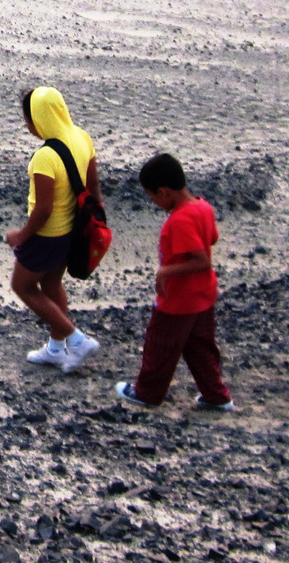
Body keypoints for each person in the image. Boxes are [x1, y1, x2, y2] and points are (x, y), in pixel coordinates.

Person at [116, 154, 233, 410]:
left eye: (153, 197)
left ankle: (147, 393)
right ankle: (217, 396)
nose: (154, 202)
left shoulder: (179, 220)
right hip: (204, 294)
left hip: (179, 299)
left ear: (163, 191)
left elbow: (201, 260)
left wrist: (164, 272)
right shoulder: (203, 207)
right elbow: (211, 240)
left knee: (160, 344)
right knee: (200, 346)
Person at [8, 88, 101, 371]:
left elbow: (44, 209)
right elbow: (93, 187)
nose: (28, 126)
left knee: (22, 286)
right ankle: (56, 348)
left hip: (46, 235)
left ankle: (76, 339)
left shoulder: (45, 157)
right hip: (72, 230)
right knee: (50, 284)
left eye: (29, 119)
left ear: (39, 119)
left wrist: (21, 236)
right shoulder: (82, 137)